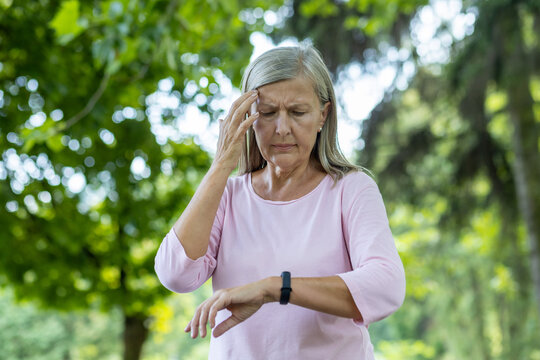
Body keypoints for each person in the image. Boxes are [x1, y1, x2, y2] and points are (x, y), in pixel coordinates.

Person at [154, 45, 406, 360]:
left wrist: (275, 288)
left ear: (322, 116)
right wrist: (221, 164)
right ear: (247, 118)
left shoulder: (350, 189)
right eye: (268, 112)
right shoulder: (228, 196)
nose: (282, 128)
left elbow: (386, 287)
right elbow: (175, 274)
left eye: (298, 112)